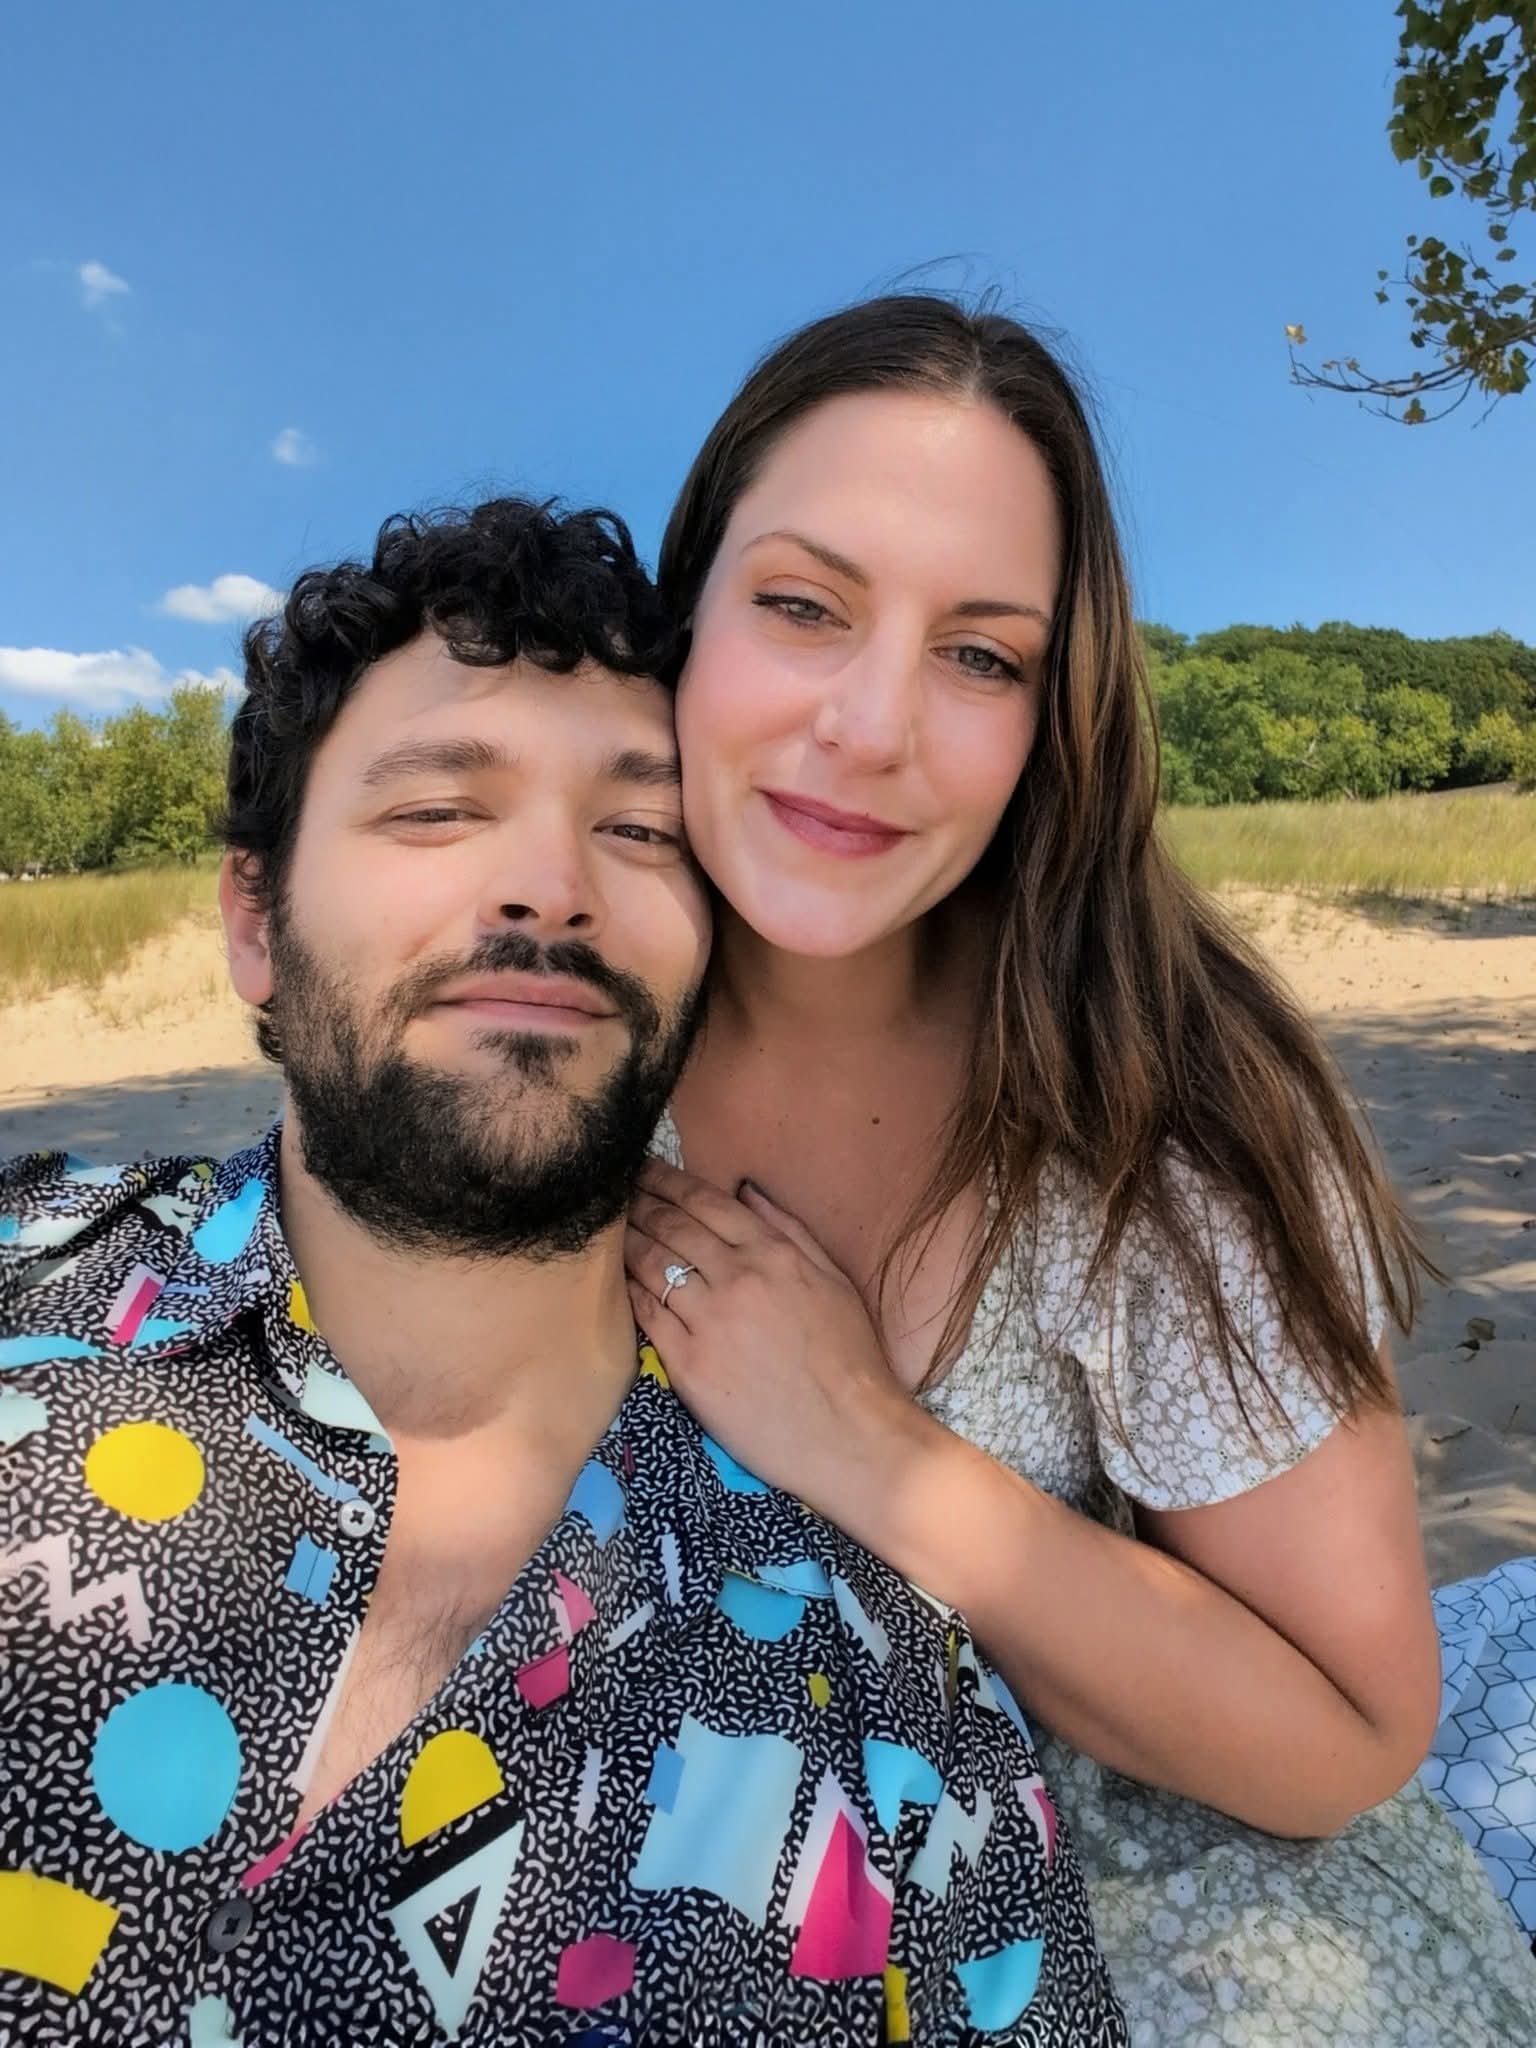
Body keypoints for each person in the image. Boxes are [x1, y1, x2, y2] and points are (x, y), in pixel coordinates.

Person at [0, 498, 1127, 2047]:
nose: (549, 888)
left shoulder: (884, 1707)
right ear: (255, 920)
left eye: (641, 830)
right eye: (438, 811)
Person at [621, 295, 1536, 2045]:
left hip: (1127, 1907)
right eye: (803, 606)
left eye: (982, 655)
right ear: (686, 619)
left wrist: (869, 1448)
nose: (873, 725)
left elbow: (1346, 1733)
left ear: (1059, 714)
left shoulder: (1146, 1113)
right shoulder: (548, 1035)